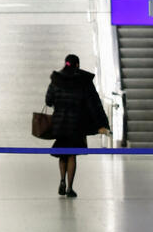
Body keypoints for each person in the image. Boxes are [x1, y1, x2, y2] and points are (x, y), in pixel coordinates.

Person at [45, 53, 110, 197]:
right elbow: (93, 104)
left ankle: (62, 180)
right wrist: (102, 124)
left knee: (62, 154)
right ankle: (70, 187)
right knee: (72, 155)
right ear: (77, 65)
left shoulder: (56, 79)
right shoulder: (83, 81)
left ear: (65, 63)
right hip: (76, 124)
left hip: (60, 123)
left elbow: (48, 101)